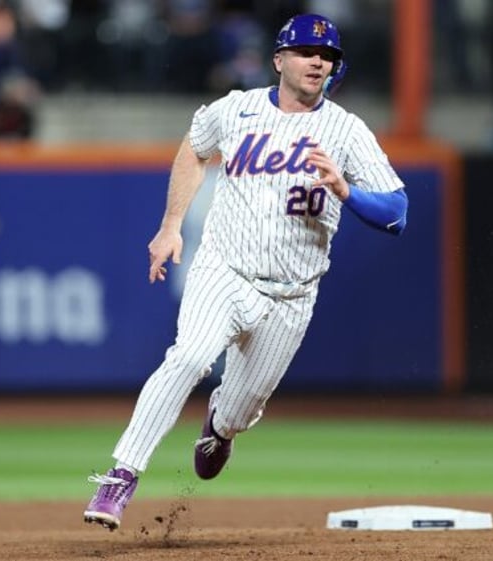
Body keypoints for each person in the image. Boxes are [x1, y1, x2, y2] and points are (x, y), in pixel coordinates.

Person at [83, 13, 409, 531]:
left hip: (293, 295)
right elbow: (194, 146)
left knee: (239, 411)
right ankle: (121, 476)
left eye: (326, 56)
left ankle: (221, 425)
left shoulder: (346, 131)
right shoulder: (236, 110)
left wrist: (346, 191)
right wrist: (171, 227)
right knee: (188, 356)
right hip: (225, 269)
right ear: (279, 59)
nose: (317, 61)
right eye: (305, 52)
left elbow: (396, 213)